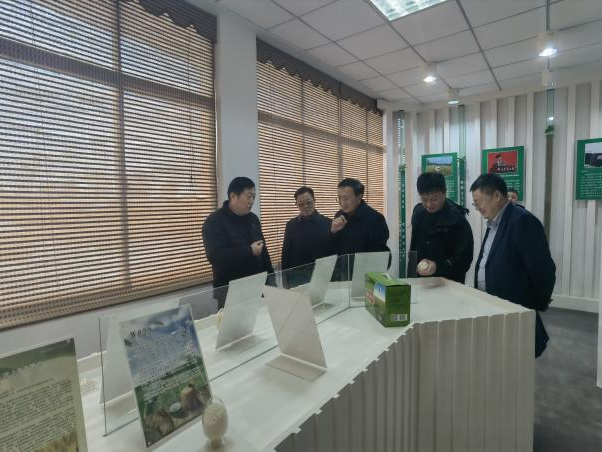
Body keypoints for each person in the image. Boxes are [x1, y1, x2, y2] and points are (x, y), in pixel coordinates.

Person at [471, 173, 556, 357]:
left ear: (496, 196)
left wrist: (536, 304)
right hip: (493, 308)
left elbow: (543, 269)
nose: (477, 208)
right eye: (475, 204)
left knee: (517, 361)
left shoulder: (522, 221)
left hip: (516, 310)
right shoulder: (494, 222)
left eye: (479, 202)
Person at [202, 177, 274, 308]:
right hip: (230, 290)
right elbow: (215, 256)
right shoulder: (214, 221)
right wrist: (249, 250)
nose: (252, 201)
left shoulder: (253, 219)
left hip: (258, 286)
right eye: (248, 196)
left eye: (254, 197)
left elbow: (263, 252)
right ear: (233, 196)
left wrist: (272, 281)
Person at [409, 172, 473, 283]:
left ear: (444, 193)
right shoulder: (418, 213)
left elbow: (464, 260)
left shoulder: (457, 219)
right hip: (420, 283)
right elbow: (413, 250)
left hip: (448, 284)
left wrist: (437, 266)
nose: (429, 204)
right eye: (424, 199)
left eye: (434, 199)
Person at [328, 178, 390, 258]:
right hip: (342, 265)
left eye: (346, 198)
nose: (342, 203)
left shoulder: (376, 219)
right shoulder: (339, 215)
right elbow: (332, 250)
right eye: (339, 198)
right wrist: (332, 232)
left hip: (365, 265)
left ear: (359, 197)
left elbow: (380, 256)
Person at [281, 186, 330, 271]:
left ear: (314, 201)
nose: (305, 206)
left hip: (321, 272)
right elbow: (286, 254)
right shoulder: (291, 225)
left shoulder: (328, 223)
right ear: (296, 205)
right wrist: (285, 275)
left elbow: (331, 252)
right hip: (297, 274)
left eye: (309, 202)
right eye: (301, 204)